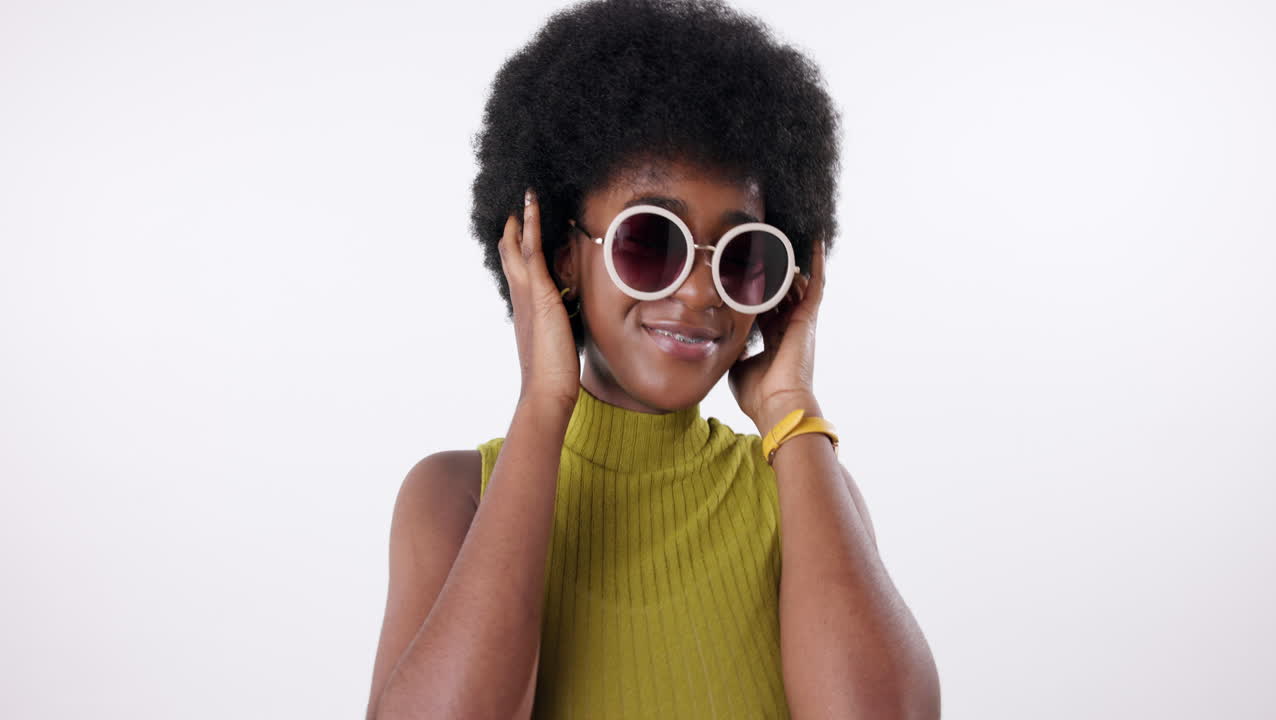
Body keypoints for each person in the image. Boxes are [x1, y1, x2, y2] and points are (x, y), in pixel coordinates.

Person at [366, 0, 940, 717]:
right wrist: (544, 401)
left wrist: (792, 408)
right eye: (650, 242)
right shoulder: (455, 497)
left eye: (741, 258)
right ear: (565, 255)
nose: (701, 291)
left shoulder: (803, 490)